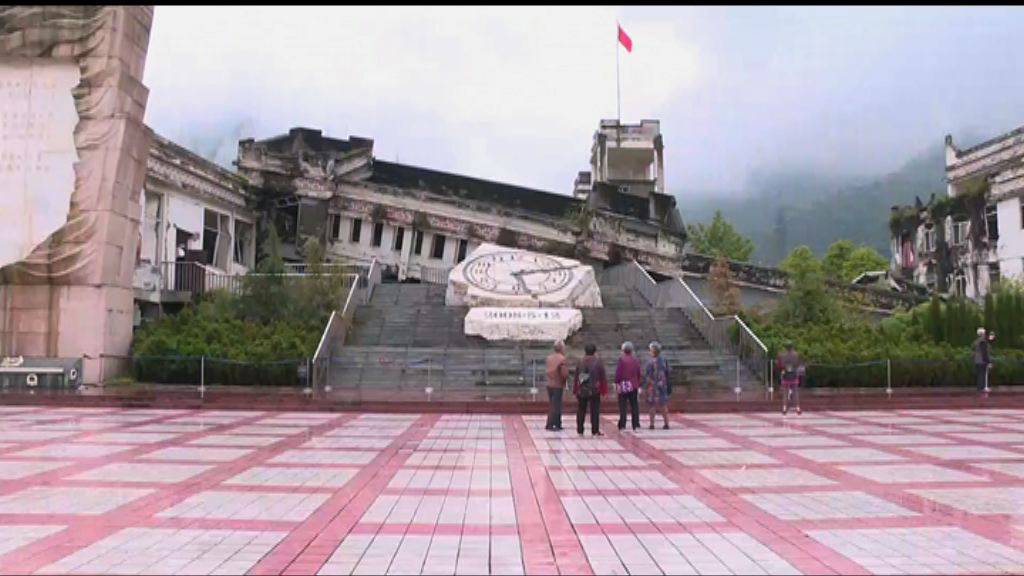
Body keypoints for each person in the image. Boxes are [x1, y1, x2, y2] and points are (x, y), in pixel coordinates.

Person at [573, 343, 608, 436]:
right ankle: (595, 430)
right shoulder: (598, 362)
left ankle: (580, 430)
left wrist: (575, 390)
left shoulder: (580, 362)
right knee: (595, 410)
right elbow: (602, 377)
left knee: (581, 410)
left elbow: (576, 377)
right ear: (594, 351)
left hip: (582, 389)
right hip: (594, 389)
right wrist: (604, 391)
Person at [614, 341, 642, 431]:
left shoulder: (621, 360)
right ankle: (636, 424)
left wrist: (616, 383)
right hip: (633, 385)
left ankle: (622, 424)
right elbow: (638, 372)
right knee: (634, 405)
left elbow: (618, 373)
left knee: (623, 406)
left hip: (623, 385)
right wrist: (638, 382)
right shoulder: (636, 360)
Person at [644, 341, 671, 430]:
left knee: (652, 405)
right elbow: (667, 372)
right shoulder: (663, 360)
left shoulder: (650, 362)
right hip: (662, 385)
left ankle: (652, 424)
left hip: (653, 386)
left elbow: (648, 376)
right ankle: (666, 423)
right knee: (663, 404)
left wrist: (647, 384)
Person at [544, 340, 569, 431]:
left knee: (553, 403)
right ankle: (550, 424)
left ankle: (557, 423)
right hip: (558, 384)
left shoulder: (549, 358)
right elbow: (564, 373)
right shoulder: (562, 359)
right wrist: (566, 380)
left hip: (549, 384)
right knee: (556, 405)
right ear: (562, 348)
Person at [777, 341, 804, 415]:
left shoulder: (781, 355)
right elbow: (799, 364)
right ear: (792, 346)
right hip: (794, 375)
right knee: (795, 392)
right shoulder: (797, 355)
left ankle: (784, 408)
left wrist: (784, 369)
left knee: (785, 392)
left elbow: (779, 365)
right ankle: (798, 408)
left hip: (785, 375)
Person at [975, 327, 991, 392]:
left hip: (978, 360)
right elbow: (984, 352)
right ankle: (983, 387)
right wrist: (988, 362)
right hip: (982, 360)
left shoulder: (977, 340)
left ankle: (980, 387)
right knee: (983, 374)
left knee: (980, 374)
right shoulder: (983, 341)